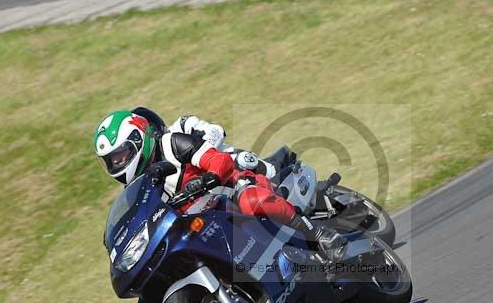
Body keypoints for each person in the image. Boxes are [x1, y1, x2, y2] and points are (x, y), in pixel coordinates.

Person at [93, 108, 346, 260]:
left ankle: (319, 234)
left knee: (251, 200)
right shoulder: (142, 186)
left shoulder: (172, 143)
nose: (119, 164)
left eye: (121, 155)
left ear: (139, 140)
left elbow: (220, 159)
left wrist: (209, 177)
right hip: (210, 215)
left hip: (231, 183)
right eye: (112, 161)